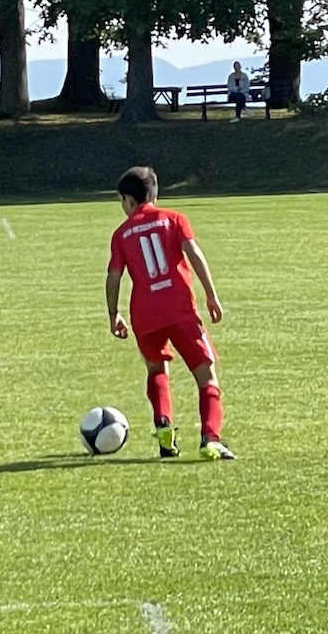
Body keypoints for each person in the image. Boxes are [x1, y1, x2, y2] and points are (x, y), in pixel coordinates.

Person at [106, 166, 235, 461]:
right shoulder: (174, 219)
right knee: (206, 375)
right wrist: (211, 294)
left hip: (145, 314)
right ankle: (210, 439)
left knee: (156, 370)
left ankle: (164, 427)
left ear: (128, 200)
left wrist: (113, 314)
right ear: (155, 194)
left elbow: (114, 276)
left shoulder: (121, 234)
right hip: (180, 310)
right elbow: (194, 253)